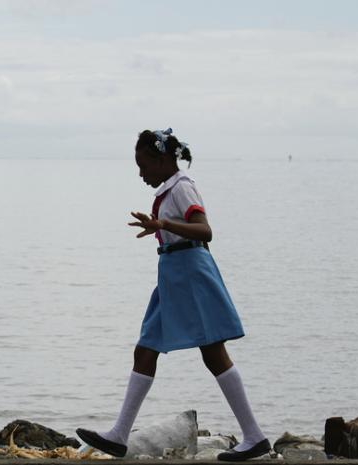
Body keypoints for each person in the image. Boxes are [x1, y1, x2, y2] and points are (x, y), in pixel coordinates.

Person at [75, 129, 270, 461]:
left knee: (213, 352)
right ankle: (120, 435)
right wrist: (162, 227)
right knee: (146, 349)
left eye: (143, 165)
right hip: (173, 275)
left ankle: (254, 437)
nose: (141, 174)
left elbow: (205, 230)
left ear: (162, 159)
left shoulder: (182, 187)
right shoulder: (171, 188)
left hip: (189, 274)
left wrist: (163, 224)